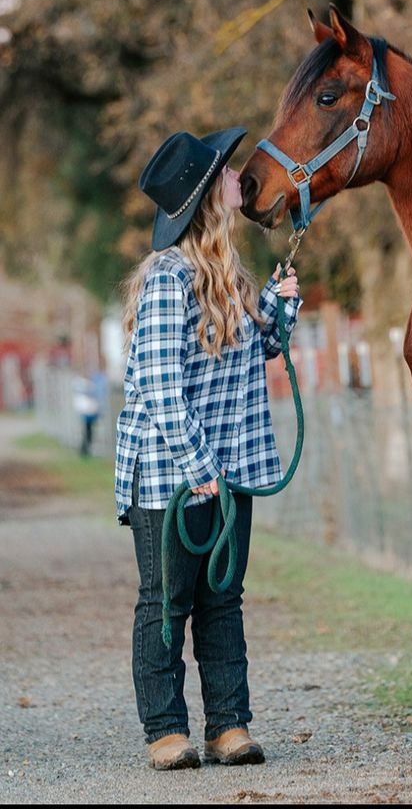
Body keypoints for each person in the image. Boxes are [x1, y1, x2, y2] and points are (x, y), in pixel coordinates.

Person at [115, 126, 301, 771]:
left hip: (229, 472)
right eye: (226, 172)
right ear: (206, 196)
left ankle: (229, 724)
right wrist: (199, 469)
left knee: (223, 598)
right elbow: (161, 389)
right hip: (171, 475)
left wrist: (279, 308)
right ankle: (166, 729)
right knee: (166, 601)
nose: (237, 178)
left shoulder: (233, 280)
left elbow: (260, 353)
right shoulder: (169, 281)